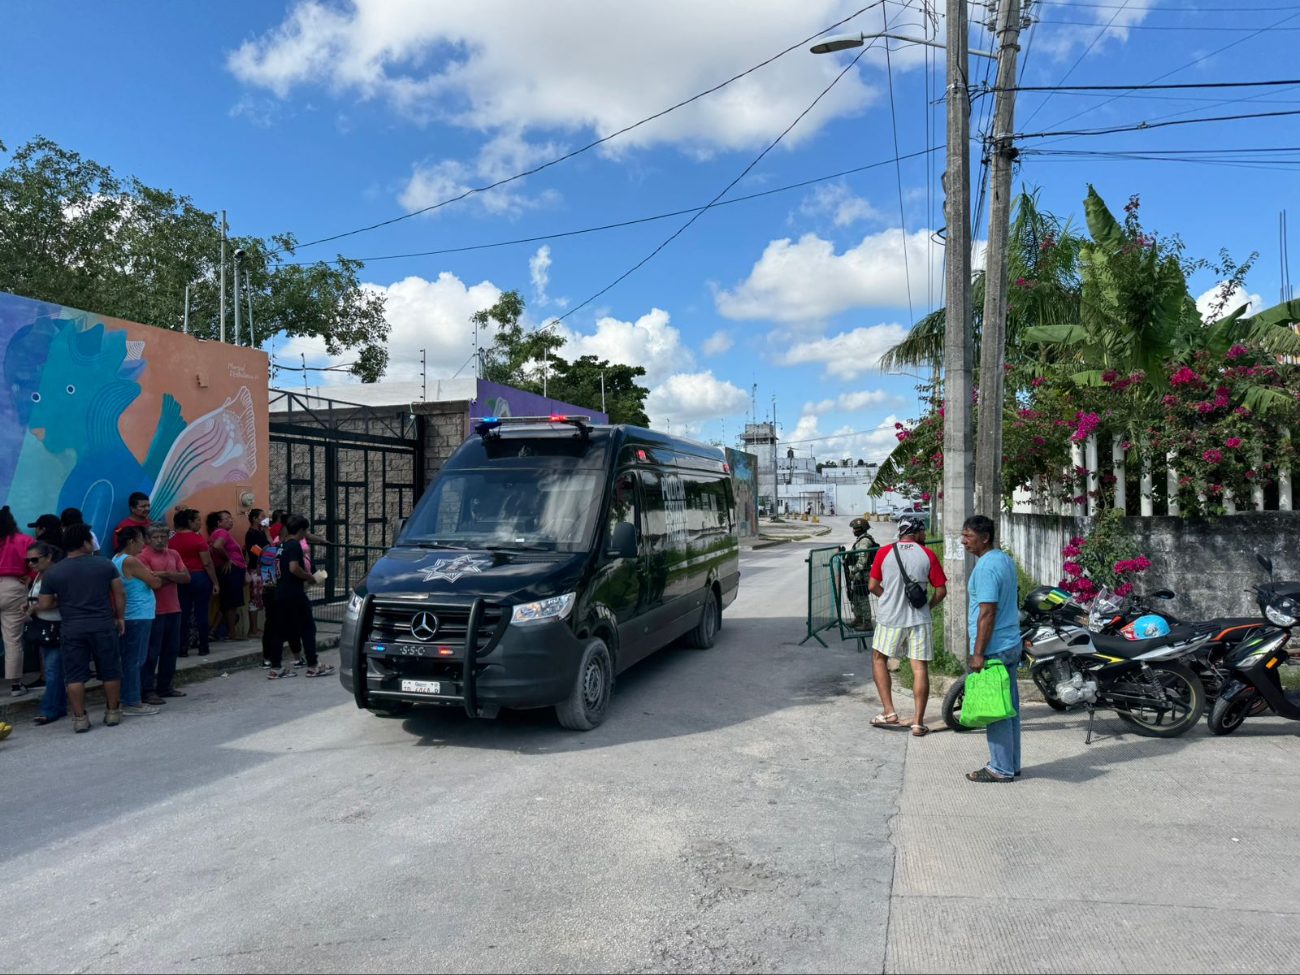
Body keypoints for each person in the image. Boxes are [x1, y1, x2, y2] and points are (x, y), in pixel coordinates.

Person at [37, 523, 126, 733]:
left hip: (72, 628)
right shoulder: (105, 565)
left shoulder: (54, 572)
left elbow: (45, 604)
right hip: (103, 625)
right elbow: (119, 593)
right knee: (111, 671)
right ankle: (112, 712)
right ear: (86, 543)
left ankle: (79, 719)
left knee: (75, 676)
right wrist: (120, 618)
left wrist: (65, 600)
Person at [867, 516, 948, 737]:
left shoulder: (884, 553)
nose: (925, 536)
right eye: (923, 532)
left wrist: (889, 598)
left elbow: (873, 586)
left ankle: (889, 712)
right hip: (918, 620)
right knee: (920, 668)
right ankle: (918, 723)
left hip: (890, 619)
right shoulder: (927, 554)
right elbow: (941, 591)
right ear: (918, 532)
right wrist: (927, 607)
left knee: (879, 658)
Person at [961, 514, 1023, 783]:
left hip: (995, 648)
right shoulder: (1004, 559)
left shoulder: (986, 567)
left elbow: (987, 613)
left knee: (995, 710)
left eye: (969, 536)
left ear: (984, 538)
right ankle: (1011, 764)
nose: (964, 541)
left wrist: (978, 653)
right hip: (1010, 643)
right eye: (963, 535)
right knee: (1009, 709)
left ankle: (1000, 768)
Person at [270, 515, 333, 680]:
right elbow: (293, 568)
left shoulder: (281, 545)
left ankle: (275, 667)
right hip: (295, 594)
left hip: (281, 593)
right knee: (307, 629)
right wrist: (309, 577)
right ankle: (313, 665)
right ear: (301, 531)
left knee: (279, 632)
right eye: (305, 531)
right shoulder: (295, 546)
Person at [113, 527, 161, 716]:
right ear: (131, 541)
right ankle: (131, 701)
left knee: (130, 658)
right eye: (142, 539)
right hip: (138, 614)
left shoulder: (116, 559)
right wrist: (153, 576)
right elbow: (155, 582)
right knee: (135, 659)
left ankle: (128, 698)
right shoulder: (131, 561)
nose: (144, 543)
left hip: (131, 614)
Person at [139, 524, 189, 703]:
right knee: (151, 652)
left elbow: (186, 577)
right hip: (153, 611)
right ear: (147, 539)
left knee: (170, 651)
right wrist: (172, 575)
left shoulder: (174, 554)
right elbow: (153, 582)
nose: (160, 541)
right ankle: (147, 690)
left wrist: (164, 573)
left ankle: (165, 686)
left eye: (163, 537)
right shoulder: (142, 556)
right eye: (156, 537)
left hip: (174, 608)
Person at [170, 509, 219, 657]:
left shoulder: (172, 541)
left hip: (180, 577)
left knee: (182, 614)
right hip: (199, 577)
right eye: (198, 520)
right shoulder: (198, 539)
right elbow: (207, 563)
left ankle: (182, 648)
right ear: (189, 522)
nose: (200, 522)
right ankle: (203, 646)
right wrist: (215, 582)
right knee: (202, 613)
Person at [26, 542, 66, 726]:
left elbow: (58, 599)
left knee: (52, 670)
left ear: (48, 557)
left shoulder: (55, 574)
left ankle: (49, 709)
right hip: (44, 626)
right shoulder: (39, 576)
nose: (31, 564)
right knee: (53, 670)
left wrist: (34, 608)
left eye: (35, 559)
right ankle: (58, 706)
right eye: (28, 560)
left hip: (56, 626)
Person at [0, 506, 37, 697]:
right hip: (13, 587)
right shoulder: (24, 541)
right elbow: (38, 561)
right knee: (13, 639)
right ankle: (15, 685)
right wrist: (30, 575)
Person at [207, 510, 247, 641]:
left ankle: (213, 630)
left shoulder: (214, 534)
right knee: (231, 603)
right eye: (227, 518)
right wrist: (228, 559)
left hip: (225, 571)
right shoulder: (221, 532)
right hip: (230, 571)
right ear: (219, 523)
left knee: (226, 602)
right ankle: (232, 634)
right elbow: (218, 546)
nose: (231, 520)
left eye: (231, 518)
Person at [845, 517, 879, 631]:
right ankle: (858, 618)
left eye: (854, 528)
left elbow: (862, 560)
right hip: (859, 574)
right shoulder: (861, 539)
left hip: (862, 575)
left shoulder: (864, 541)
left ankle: (867, 623)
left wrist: (853, 571)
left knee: (862, 599)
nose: (853, 531)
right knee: (856, 598)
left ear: (860, 528)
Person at [244, 509, 269, 640]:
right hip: (256, 568)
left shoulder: (260, 532)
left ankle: (256, 628)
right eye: (262, 517)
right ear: (254, 518)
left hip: (263, 568)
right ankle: (253, 629)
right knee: (255, 598)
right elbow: (255, 550)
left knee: (260, 598)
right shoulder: (252, 533)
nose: (264, 519)